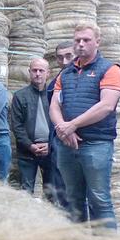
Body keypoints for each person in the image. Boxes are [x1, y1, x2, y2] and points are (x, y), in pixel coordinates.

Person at [49, 23, 120, 230]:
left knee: (99, 199)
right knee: (73, 200)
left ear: (97, 42)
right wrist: (62, 128)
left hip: (96, 144)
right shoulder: (65, 74)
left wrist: (72, 125)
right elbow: (54, 105)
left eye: (86, 40)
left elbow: (106, 105)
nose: (80, 44)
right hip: (66, 144)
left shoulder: (110, 69)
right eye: (77, 40)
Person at [11, 58, 57, 202]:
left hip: (51, 151)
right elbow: (16, 126)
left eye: (41, 70)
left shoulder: (54, 95)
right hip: (27, 152)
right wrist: (30, 145)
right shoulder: (20, 96)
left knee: (52, 193)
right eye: (34, 70)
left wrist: (51, 144)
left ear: (47, 73)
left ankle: (53, 223)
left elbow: (60, 123)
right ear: (29, 72)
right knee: (26, 192)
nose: (38, 74)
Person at [47, 42, 74, 210]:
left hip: (80, 139)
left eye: (68, 56)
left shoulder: (84, 78)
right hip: (58, 140)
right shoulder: (54, 83)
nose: (64, 61)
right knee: (61, 190)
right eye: (59, 57)